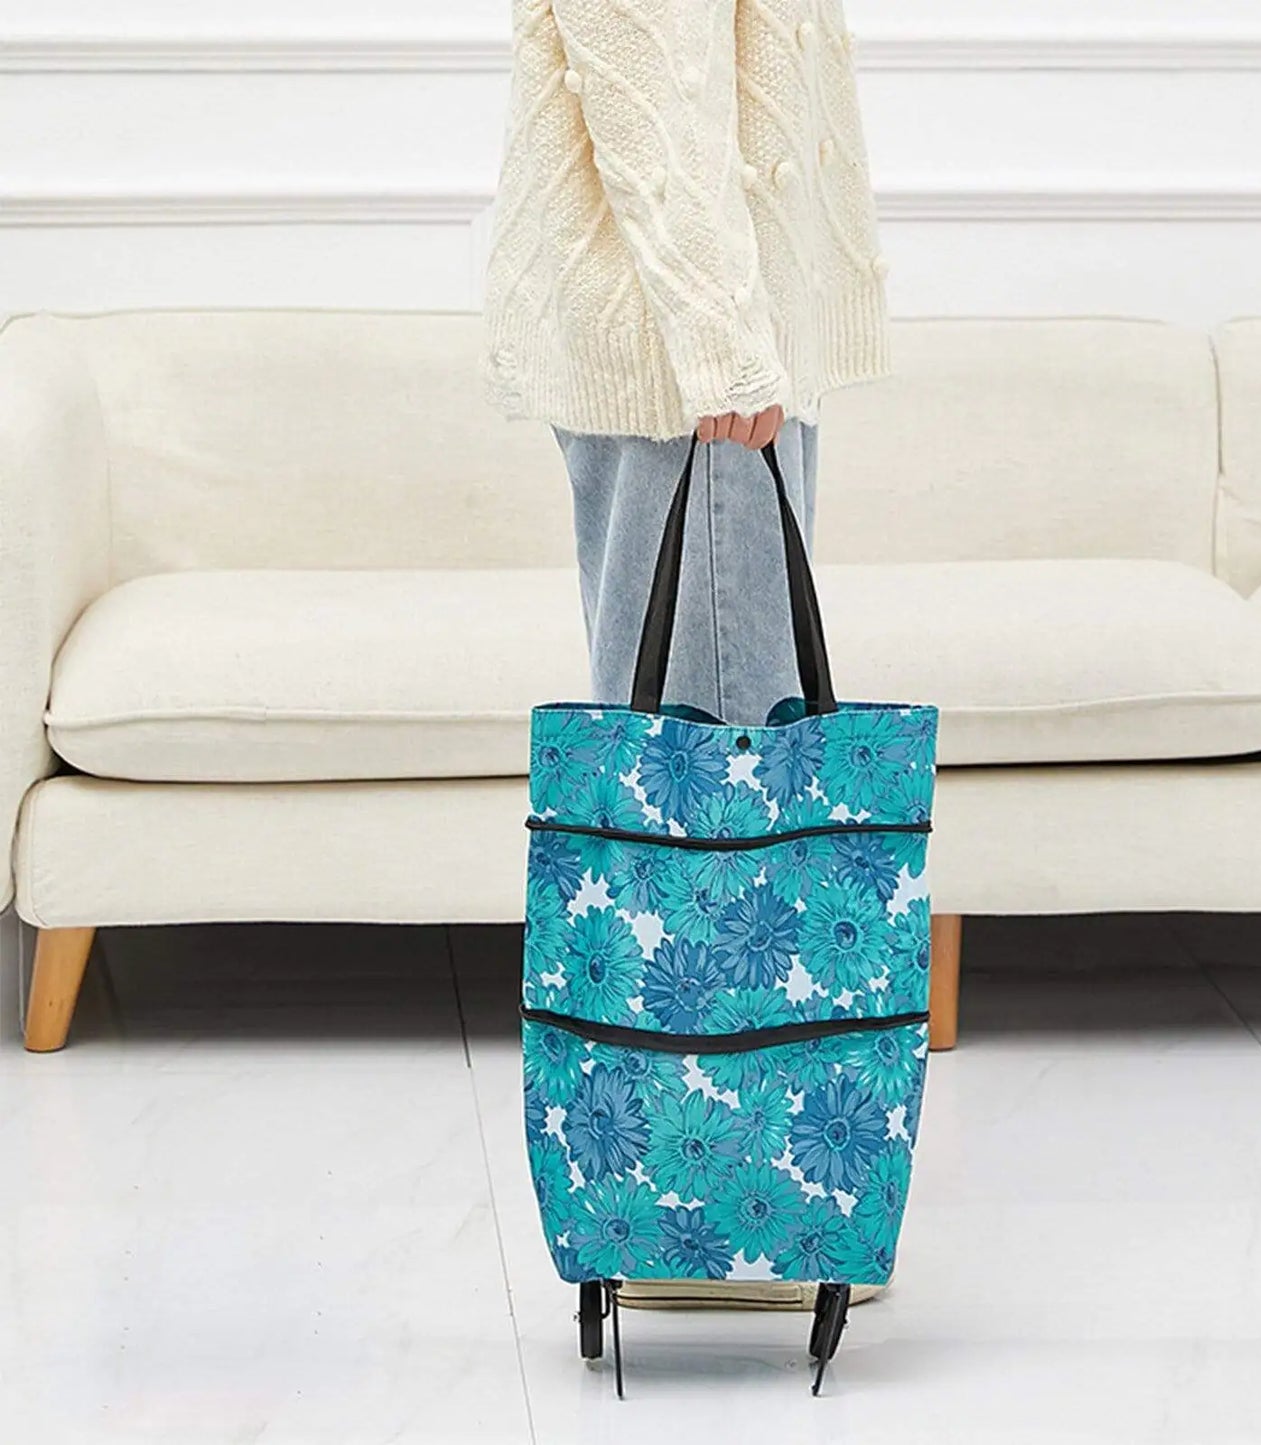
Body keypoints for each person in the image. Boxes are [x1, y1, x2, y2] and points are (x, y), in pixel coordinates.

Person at [478, 0, 891, 1304]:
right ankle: (714, 1219)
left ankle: (702, 1189)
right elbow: (647, 81)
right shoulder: (711, 355)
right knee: (722, 779)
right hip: (694, 363)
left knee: (704, 776)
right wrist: (721, 342)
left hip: (718, 347)